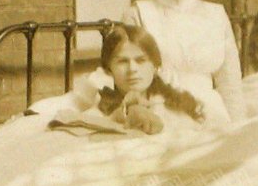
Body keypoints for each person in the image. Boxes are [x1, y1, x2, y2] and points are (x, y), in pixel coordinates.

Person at [122, 0, 244, 126]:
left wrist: (238, 127)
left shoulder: (216, 15)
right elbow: (125, 76)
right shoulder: (139, 13)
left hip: (210, 114)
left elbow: (229, 82)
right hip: (157, 114)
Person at [51, 24, 206, 135]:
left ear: (155, 66)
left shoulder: (179, 109)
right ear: (108, 69)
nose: (132, 69)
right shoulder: (98, 113)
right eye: (122, 61)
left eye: (140, 60)